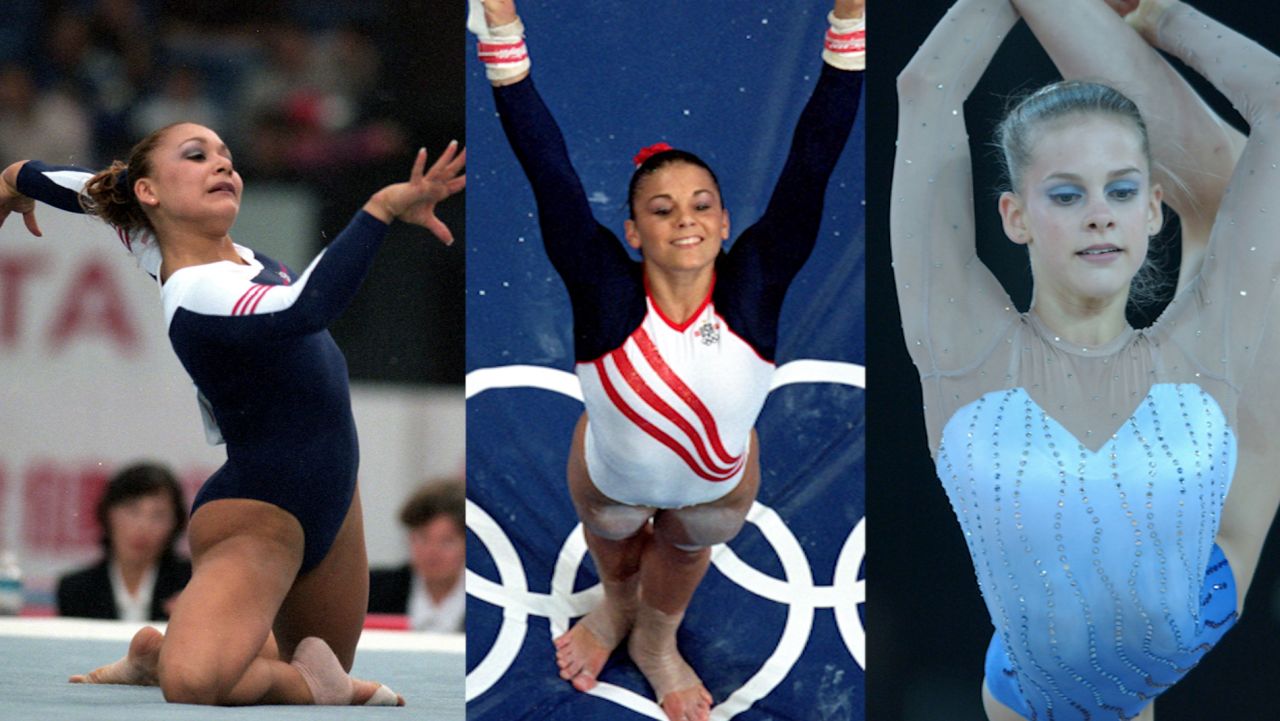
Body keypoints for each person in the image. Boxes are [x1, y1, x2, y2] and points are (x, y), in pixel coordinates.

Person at [473, 1, 864, 719]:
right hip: (613, 481)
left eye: (700, 203)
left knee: (686, 550)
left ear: (723, 222)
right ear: (631, 229)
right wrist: (502, 33)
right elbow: (547, 168)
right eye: (661, 207)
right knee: (617, 547)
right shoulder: (602, 287)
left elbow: (815, 157)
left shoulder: (757, 280)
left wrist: (848, 24)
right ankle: (617, 605)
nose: (683, 216)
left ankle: (657, 637)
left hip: (716, 491)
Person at [893, 0, 1280, 719]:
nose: (1100, 214)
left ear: (1150, 210)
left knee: (1240, 203)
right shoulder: (963, 346)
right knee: (1231, 194)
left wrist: (1165, 18)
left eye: (1122, 191)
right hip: (1041, 685)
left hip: (1205, 594)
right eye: (1067, 196)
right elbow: (926, 87)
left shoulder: (1206, 348)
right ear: (1014, 216)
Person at [0, 123, 464, 706]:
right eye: (197, 157)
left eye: (227, 156)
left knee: (303, 651)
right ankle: (282, 680)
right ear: (151, 192)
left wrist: (15, 181)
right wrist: (379, 209)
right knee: (199, 684)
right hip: (257, 514)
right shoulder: (197, 290)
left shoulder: (179, 244)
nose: (223, 166)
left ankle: (158, 653)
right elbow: (309, 307)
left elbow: (86, 187)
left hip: (336, 503)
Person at [57, 462, 192, 622]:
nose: (143, 526)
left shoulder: (191, 582)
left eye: (158, 515)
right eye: (132, 511)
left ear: (175, 524)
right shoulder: (76, 589)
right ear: (109, 514)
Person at [368, 478, 465, 633]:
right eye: (422, 537)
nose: (432, 551)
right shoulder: (372, 591)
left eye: (447, 541)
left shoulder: (487, 601)